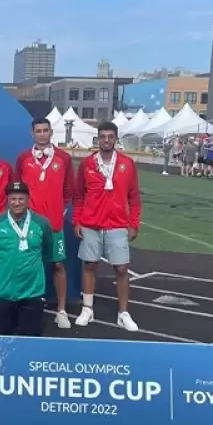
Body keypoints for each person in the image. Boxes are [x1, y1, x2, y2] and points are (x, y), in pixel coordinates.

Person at [73, 122, 141, 332]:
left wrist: (134, 223)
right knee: (90, 265)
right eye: (102, 136)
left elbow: (134, 197)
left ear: (116, 138)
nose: (106, 140)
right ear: (98, 139)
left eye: (110, 136)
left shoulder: (127, 164)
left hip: (117, 224)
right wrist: (77, 220)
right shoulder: (87, 164)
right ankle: (87, 308)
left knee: (121, 269)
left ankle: (123, 313)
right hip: (91, 223)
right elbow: (78, 196)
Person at [15, 117, 74, 329]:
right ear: (32, 134)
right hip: (29, 225)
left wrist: (59, 209)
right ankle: (25, 306)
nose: (42, 134)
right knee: (27, 265)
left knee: (58, 265)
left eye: (45, 130)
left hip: (54, 224)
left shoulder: (64, 158)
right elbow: (18, 190)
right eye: (38, 131)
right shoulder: (23, 158)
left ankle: (61, 310)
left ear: (51, 132)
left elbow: (69, 189)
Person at [0, 182, 55, 336]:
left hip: (31, 292)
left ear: (28, 199)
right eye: (13, 199)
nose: (17, 203)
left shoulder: (42, 223)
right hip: (2, 291)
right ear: (7, 201)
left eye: (21, 199)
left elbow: (47, 253)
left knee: (30, 337)